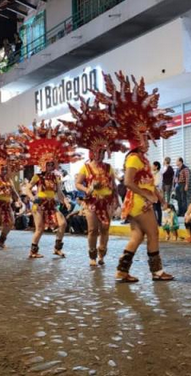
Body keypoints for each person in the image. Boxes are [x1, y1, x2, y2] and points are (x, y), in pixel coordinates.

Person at [94, 72, 174, 283]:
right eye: (144, 136)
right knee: (154, 233)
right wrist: (148, 197)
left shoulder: (142, 159)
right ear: (137, 139)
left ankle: (121, 271)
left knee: (137, 236)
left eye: (147, 136)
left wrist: (161, 199)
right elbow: (129, 183)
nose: (148, 140)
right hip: (139, 203)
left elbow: (147, 183)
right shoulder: (134, 159)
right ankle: (157, 272)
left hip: (140, 201)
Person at [62, 100, 123, 267]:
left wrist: (117, 203)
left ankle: (102, 254)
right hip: (91, 202)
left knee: (105, 229)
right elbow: (77, 184)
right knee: (92, 230)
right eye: (98, 152)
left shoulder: (109, 168)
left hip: (107, 203)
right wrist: (87, 188)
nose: (100, 155)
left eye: (103, 152)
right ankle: (92, 256)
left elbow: (114, 186)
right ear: (92, 152)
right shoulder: (86, 167)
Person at [18, 122, 78, 259]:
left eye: (52, 164)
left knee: (63, 224)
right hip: (39, 204)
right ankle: (33, 251)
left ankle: (57, 248)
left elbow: (59, 193)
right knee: (39, 229)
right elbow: (27, 189)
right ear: (43, 165)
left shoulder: (57, 177)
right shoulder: (37, 176)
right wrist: (32, 198)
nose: (51, 166)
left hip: (52, 204)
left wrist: (66, 202)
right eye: (48, 164)